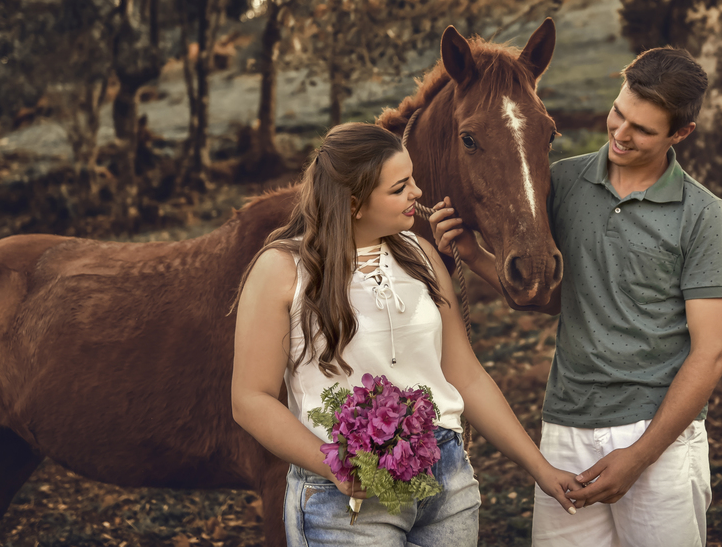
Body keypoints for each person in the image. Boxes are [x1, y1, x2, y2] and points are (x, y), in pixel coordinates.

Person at [431, 47, 722, 547]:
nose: (621, 133)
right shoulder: (564, 183)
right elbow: (547, 298)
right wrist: (472, 253)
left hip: (656, 436)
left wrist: (640, 456)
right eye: (619, 113)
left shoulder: (703, 214)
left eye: (643, 129)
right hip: (566, 428)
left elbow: (711, 353)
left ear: (680, 134)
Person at [232, 122, 581, 547]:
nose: (417, 192)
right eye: (400, 188)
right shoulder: (282, 270)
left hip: (446, 483)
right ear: (353, 203)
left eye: (412, 178)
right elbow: (250, 399)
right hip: (348, 500)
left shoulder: (420, 255)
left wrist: (541, 469)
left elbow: (466, 376)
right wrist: (333, 466)